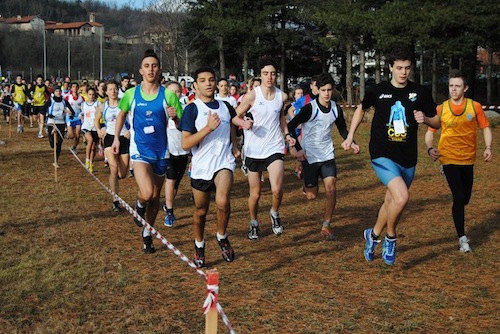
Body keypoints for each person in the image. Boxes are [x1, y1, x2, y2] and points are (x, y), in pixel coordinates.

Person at [341, 46, 440, 265]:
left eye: (407, 68)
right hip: (381, 153)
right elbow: (361, 108)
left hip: (408, 157)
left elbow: (437, 121)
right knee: (402, 198)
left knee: (391, 201)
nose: (403, 72)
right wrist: (350, 136)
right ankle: (391, 237)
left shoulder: (420, 92)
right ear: (390, 68)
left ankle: (373, 234)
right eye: (399, 68)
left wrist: (425, 118)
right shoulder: (378, 90)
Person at [112, 49, 182, 254]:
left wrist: (174, 117)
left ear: (159, 70)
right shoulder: (131, 94)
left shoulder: (168, 95)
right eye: (147, 66)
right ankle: (138, 204)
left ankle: (147, 232)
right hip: (139, 150)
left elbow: (181, 124)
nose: (151, 69)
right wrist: (116, 138)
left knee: (155, 198)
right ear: (141, 70)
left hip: (161, 152)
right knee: (147, 193)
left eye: (154, 66)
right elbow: (121, 115)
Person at [425, 69, 493, 253]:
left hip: (468, 159)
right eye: (451, 86)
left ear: (465, 88)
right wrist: (430, 148)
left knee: (465, 198)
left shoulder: (475, 107)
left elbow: (485, 128)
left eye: (457, 86)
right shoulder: (441, 108)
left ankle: (461, 229)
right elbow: (429, 133)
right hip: (448, 158)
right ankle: (462, 238)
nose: (453, 90)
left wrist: (488, 147)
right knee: (459, 197)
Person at [179, 67, 240, 268]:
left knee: (222, 201)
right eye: (203, 80)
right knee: (201, 210)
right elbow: (186, 143)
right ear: (195, 85)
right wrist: (207, 129)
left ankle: (222, 236)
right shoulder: (192, 109)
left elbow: (232, 123)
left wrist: (235, 143)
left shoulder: (225, 106)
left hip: (223, 162)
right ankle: (199, 244)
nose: (208, 83)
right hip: (201, 166)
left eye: (211, 79)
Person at [288, 73, 359, 240]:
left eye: (329, 90)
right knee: (312, 195)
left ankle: (326, 225)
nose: (326, 93)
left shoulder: (336, 108)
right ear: (317, 90)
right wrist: (298, 148)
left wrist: (352, 141)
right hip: (310, 156)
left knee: (331, 188)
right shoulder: (309, 108)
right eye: (323, 90)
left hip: (327, 155)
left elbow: (342, 129)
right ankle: (306, 185)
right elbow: (291, 126)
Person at [232, 57, 295, 240]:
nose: (269, 77)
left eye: (273, 74)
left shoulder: (282, 96)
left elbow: (281, 119)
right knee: (256, 193)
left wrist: (288, 134)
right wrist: (244, 123)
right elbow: (234, 116)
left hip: (274, 147)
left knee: (277, 189)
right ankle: (253, 223)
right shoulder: (252, 95)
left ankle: (274, 213)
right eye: (266, 74)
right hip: (254, 150)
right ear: (260, 75)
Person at [95, 81, 130, 213]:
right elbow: (96, 119)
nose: (113, 91)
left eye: (115, 89)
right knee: (113, 168)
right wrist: (99, 130)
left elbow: (134, 118)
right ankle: (115, 200)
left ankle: (117, 180)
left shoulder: (124, 104)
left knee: (123, 173)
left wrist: (130, 131)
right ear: (106, 92)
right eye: (110, 89)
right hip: (109, 137)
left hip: (124, 138)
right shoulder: (103, 107)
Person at [162, 81, 190, 227]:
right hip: (168, 151)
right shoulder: (161, 109)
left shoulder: (184, 109)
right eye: (171, 92)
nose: (174, 94)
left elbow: (186, 129)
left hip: (183, 151)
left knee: (176, 183)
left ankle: (168, 204)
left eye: (177, 92)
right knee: (170, 179)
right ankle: (170, 211)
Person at [46, 86, 75, 167]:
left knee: (59, 142)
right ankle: (52, 142)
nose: (58, 92)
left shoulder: (64, 101)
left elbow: (72, 111)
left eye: (59, 91)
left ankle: (56, 161)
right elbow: (43, 109)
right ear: (54, 92)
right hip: (51, 122)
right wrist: (48, 115)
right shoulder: (50, 101)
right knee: (52, 144)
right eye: (56, 91)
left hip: (61, 122)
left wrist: (71, 115)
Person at [81, 87, 100, 173]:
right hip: (86, 126)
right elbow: (81, 113)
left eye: (93, 95)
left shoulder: (98, 103)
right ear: (87, 95)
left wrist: (98, 112)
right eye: (89, 94)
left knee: (93, 147)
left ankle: (91, 163)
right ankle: (87, 159)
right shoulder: (84, 104)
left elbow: (101, 114)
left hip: (95, 127)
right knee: (90, 140)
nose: (91, 96)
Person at [29, 74, 50, 138]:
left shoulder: (44, 86)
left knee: (42, 118)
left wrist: (50, 98)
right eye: (39, 80)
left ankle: (40, 132)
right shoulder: (34, 86)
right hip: (35, 104)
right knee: (35, 118)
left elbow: (48, 93)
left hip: (42, 104)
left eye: (41, 80)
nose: (40, 81)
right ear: (36, 81)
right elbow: (28, 92)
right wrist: (31, 99)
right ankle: (40, 124)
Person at [65, 82, 84, 152]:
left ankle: (74, 147)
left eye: (76, 87)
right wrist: (67, 111)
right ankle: (69, 134)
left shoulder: (81, 98)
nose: (75, 88)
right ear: (71, 88)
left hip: (78, 117)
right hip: (70, 118)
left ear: (78, 88)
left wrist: (82, 114)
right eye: (73, 87)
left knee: (78, 134)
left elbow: (83, 108)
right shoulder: (68, 97)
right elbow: (63, 106)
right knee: (71, 135)